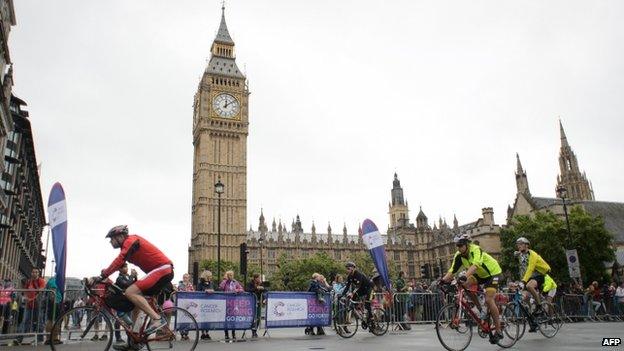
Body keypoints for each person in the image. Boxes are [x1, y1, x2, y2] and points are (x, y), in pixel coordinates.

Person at [99, 225, 174, 350]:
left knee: (130, 292)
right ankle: (134, 341)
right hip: (158, 271)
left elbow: (119, 260)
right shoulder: (126, 246)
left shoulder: (131, 240)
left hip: (162, 269)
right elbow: (119, 264)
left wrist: (103, 275)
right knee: (135, 304)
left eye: (112, 238)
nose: (110, 241)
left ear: (120, 236)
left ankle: (157, 319)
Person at [440, 234, 503, 344]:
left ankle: (498, 330)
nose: (458, 248)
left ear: (467, 244)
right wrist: (442, 280)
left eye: (460, 245)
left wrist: (465, 275)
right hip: (479, 275)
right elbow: (452, 270)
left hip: (493, 273)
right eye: (457, 246)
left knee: (489, 299)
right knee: (463, 286)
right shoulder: (458, 255)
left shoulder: (475, 249)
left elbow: (476, 265)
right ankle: (480, 309)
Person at [515, 237, 552, 310]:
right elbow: (522, 269)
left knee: (529, 286)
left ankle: (539, 306)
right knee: (525, 297)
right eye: (518, 244)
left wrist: (523, 281)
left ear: (527, 245)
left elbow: (530, 268)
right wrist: (521, 281)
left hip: (539, 275)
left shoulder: (532, 254)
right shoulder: (521, 255)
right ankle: (531, 312)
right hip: (529, 277)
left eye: (521, 244)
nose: (519, 246)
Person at [340, 262, 374, 331]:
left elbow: (358, 286)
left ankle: (372, 319)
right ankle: (360, 314)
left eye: (348, 268)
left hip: (369, 288)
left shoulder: (358, 274)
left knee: (367, 304)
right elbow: (347, 287)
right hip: (361, 289)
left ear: (353, 268)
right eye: (346, 269)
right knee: (352, 301)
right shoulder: (349, 276)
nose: (347, 270)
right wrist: (342, 295)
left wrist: (352, 293)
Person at [16, 268, 46, 345]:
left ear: (38, 274)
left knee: (39, 322)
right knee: (25, 321)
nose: (34, 273)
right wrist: (26, 298)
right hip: (29, 305)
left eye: (36, 272)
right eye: (33, 272)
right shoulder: (29, 281)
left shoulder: (41, 281)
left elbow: (41, 290)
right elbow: (25, 290)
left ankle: (40, 339)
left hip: (38, 305)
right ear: (31, 273)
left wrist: (32, 298)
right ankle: (19, 339)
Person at [114, 263, 136, 344]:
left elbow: (134, 284)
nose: (126, 268)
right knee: (119, 320)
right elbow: (126, 284)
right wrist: (131, 276)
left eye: (126, 266)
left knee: (128, 322)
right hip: (121, 302)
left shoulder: (127, 277)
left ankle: (129, 339)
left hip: (128, 301)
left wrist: (135, 276)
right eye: (124, 267)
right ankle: (118, 337)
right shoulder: (119, 278)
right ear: (120, 269)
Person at [219, 271, 243, 341]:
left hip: (233, 303)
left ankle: (233, 334)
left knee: (233, 318)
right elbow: (221, 287)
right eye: (229, 275)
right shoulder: (225, 282)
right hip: (226, 302)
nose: (230, 276)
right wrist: (225, 280)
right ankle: (226, 334)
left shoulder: (235, 282)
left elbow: (242, 289)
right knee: (226, 318)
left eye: (232, 275)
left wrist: (237, 290)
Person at [246, 273, 265, 338]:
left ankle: (255, 331)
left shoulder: (261, 283)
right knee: (253, 317)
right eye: (259, 278)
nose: (260, 279)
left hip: (259, 302)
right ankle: (253, 331)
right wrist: (256, 288)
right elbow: (248, 290)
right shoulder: (250, 283)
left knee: (258, 317)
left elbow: (265, 290)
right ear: (255, 278)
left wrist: (262, 288)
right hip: (252, 302)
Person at [197, 270, 214, 340]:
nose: (211, 277)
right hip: (202, 302)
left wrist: (212, 290)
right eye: (210, 276)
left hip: (209, 303)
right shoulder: (200, 283)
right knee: (203, 318)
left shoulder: (211, 283)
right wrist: (205, 291)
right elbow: (198, 291)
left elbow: (214, 289)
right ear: (206, 276)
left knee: (208, 318)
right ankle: (202, 333)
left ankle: (207, 332)